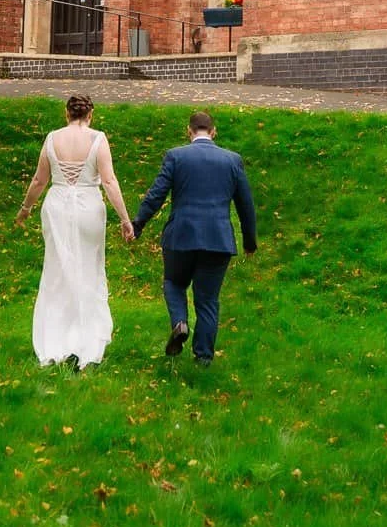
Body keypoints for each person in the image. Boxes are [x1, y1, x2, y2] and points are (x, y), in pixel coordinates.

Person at [16, 94, 135, 368]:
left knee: (56, 270)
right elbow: (109, 180)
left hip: (56, 206)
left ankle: (56, 339)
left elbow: (39, 179)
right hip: (88, 207)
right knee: (89, 269)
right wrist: (125, 219)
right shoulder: (98, 139)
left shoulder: (52, 138)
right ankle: (84, 339)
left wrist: (25, 208)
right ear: (90, 115)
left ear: (66, 113)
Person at [131, 111, 258, 366]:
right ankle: (203, 358)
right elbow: (246, 204)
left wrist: (138, 224)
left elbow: (157, 194)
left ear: (188, 131)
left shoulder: (176, 156)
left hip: (181, 237)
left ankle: (179, 322)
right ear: (213, 132)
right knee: (208, 300)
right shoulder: (232, 161)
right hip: (218, 240)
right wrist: (249, 240)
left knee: (174, 283)